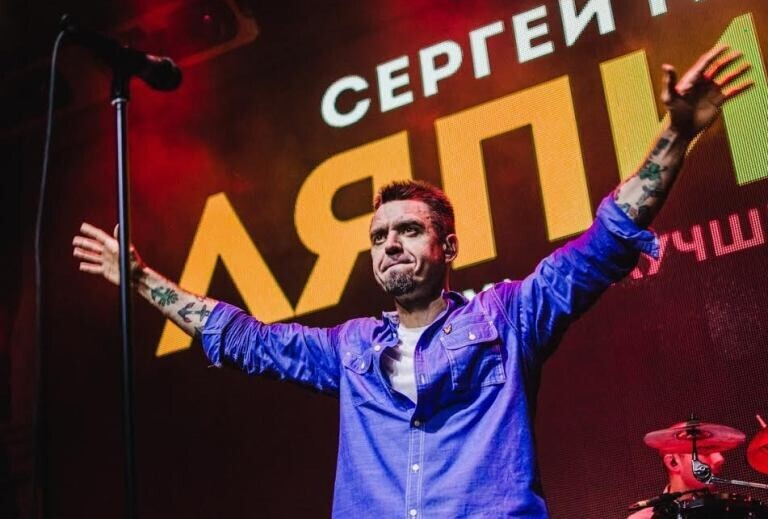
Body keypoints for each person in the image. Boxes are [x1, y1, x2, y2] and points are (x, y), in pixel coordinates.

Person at [72, 46, 752, 517]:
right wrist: (141, 278)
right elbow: (243, 337)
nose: (389, 243)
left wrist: (676, 134)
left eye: (407, 230)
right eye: (378, 237)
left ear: (447, 245)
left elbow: (606, 241)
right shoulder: (349, 348)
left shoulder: (507, 317)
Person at [627, 421, 730, 519]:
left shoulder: (731, 511)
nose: (720, 459)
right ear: (673, 463)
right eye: (704, 451)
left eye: (717, 450)